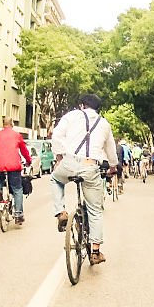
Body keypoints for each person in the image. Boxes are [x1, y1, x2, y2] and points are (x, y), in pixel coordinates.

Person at [50, 93, 118, 265]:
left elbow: (56, 135)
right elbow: (111, 150)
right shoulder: (104, 124)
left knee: (56, 180)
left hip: (70, 162)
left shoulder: (71, 116)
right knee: (95, 210)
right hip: (90, 166)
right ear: (98, 108)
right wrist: (112, 166)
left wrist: (59, 157)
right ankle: (95, 252)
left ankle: (61, 212)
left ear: (82, 105)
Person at [0, 117, 32, 224]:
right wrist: (28, 161)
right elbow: (24, 150)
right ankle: (18, 214)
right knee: (17, 189)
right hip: (13, 166)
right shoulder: (16, 135)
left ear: (3, 124)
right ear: (12, 124)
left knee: (0, 177)